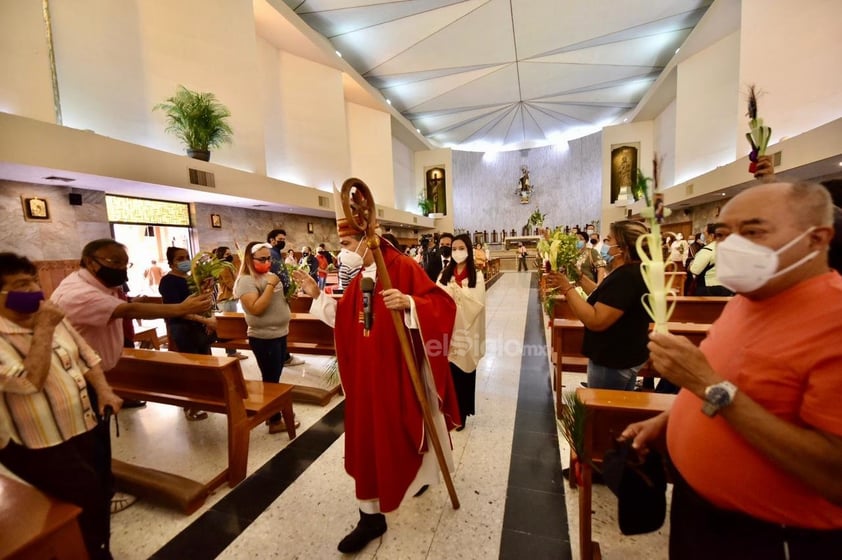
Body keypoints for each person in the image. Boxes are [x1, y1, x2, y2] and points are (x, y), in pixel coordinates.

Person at [621, 182, 842, 559]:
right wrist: (671, 420)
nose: (730, 245)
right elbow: (737, 384)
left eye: (753, 231)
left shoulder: (834, 320)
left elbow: (834, 475)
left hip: (771, 536)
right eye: (723, 233)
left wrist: (705, 384)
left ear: (816, 238)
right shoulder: (746, 300)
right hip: (700, 514)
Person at [292, 218, 459, 554]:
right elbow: (347, 319)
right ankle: (370, 517)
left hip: (399, 374)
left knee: (405, 436)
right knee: (367, 443)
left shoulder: (403, 266)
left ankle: (416, 480)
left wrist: (411, 304)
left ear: (370, 239)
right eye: (342, 246)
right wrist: (316, 296)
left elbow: (443, 305)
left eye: (349, 245)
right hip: (367, 378)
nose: (344, 254)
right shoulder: (359, 281)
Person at [50, 239, 213, 511]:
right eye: (116, 264)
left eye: (126, 264)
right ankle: (100, 497)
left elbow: (126, 303)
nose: (122, 270)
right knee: (91, 443)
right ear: (91, 261)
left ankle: (101, 488)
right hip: (78, 380)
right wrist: (180, 309)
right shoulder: (78, 292)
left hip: (92, 374)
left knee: (96, 440)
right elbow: (128, 310)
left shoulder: (99, 284)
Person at [0, 253, 123, 560]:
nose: (32, 290)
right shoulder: (42, 321)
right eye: (20, 284)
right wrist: (43, 328)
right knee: (82, 494)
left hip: (84, 421)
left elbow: (87, 355)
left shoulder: (50, 314)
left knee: (99, 487)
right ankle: (85, 551)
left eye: (33, 281)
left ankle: (99, 547)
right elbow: (28, 382)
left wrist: (104, 391)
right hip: (38, 441)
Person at [547, 220, 650, 390]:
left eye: (609, 240)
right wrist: (578, 277)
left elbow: (596, 320)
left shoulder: (626, 278)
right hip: (625, 355)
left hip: (613, 358)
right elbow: (601, 295)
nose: (604, 244)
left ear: (622, 248)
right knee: (618, 407)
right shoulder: (629, 271)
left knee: (603, 413)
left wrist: (567, 288)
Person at [234, 242, 298, 434]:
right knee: (271, 380)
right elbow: (255, 309)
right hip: (264, 337)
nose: (267, 262)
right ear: (249, 259)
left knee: (275, 377)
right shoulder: (246, 280)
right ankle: (274, 419)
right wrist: (271, 284)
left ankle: (275, 413)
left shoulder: (267, 276)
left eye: (269, 258)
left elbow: (272, 303)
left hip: (279, 333)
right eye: (262, 259)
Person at [159, 247, 217, 421]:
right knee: (191, 368)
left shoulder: (193, 279)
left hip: (200, 327)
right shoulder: (168, 281)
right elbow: (176, 310)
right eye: (180, 258)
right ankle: (190, 405)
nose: (185, 261)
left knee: (205, 363)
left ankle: (205, 398)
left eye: (187, 257)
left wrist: (209, 316)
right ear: (171, 262)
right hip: (183, 328)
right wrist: (205, 320)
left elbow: (203, 302)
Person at [437, 234, 485, 431]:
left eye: (460, 248)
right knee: (450, 373)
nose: (457, 252)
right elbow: (436, 296)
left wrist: (456, 291)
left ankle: (463, 413)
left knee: (464, 375)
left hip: (467, 332)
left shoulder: (477, 276)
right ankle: (449, 410)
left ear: (468, 250)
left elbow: (476, 304)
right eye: (454, 248)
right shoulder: (444, 274)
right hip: (448, 332)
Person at [265, 229, 305, 367]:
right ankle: (283, 357)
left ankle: (283, 355)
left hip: (281, 294)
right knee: (279, 326)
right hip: (277, 295)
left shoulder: (275, 253)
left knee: (282, 325)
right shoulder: (270, 254)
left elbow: (282, 273)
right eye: (280, 239)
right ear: (272, 240)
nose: (283, 242)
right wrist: (287, 290)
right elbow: (276, 275)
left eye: (284, 240)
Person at [213, 246, 247, 360]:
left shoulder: (226, 266)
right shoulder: (223, 267)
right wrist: (241, 291)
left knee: (229, 327)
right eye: (227, 254)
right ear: (221, 255)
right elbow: (230, 284)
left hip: (227, 299)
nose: (229, 255)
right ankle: (232, 353)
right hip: (226, 299)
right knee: (230, 328)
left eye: (229, 253)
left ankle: (232, 352)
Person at [689, 223, 734, 296]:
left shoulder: (708, 249)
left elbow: (695, 270)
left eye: (704, 233)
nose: (702, 235)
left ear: (712, 235)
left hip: (710, 288)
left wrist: (691, 263)